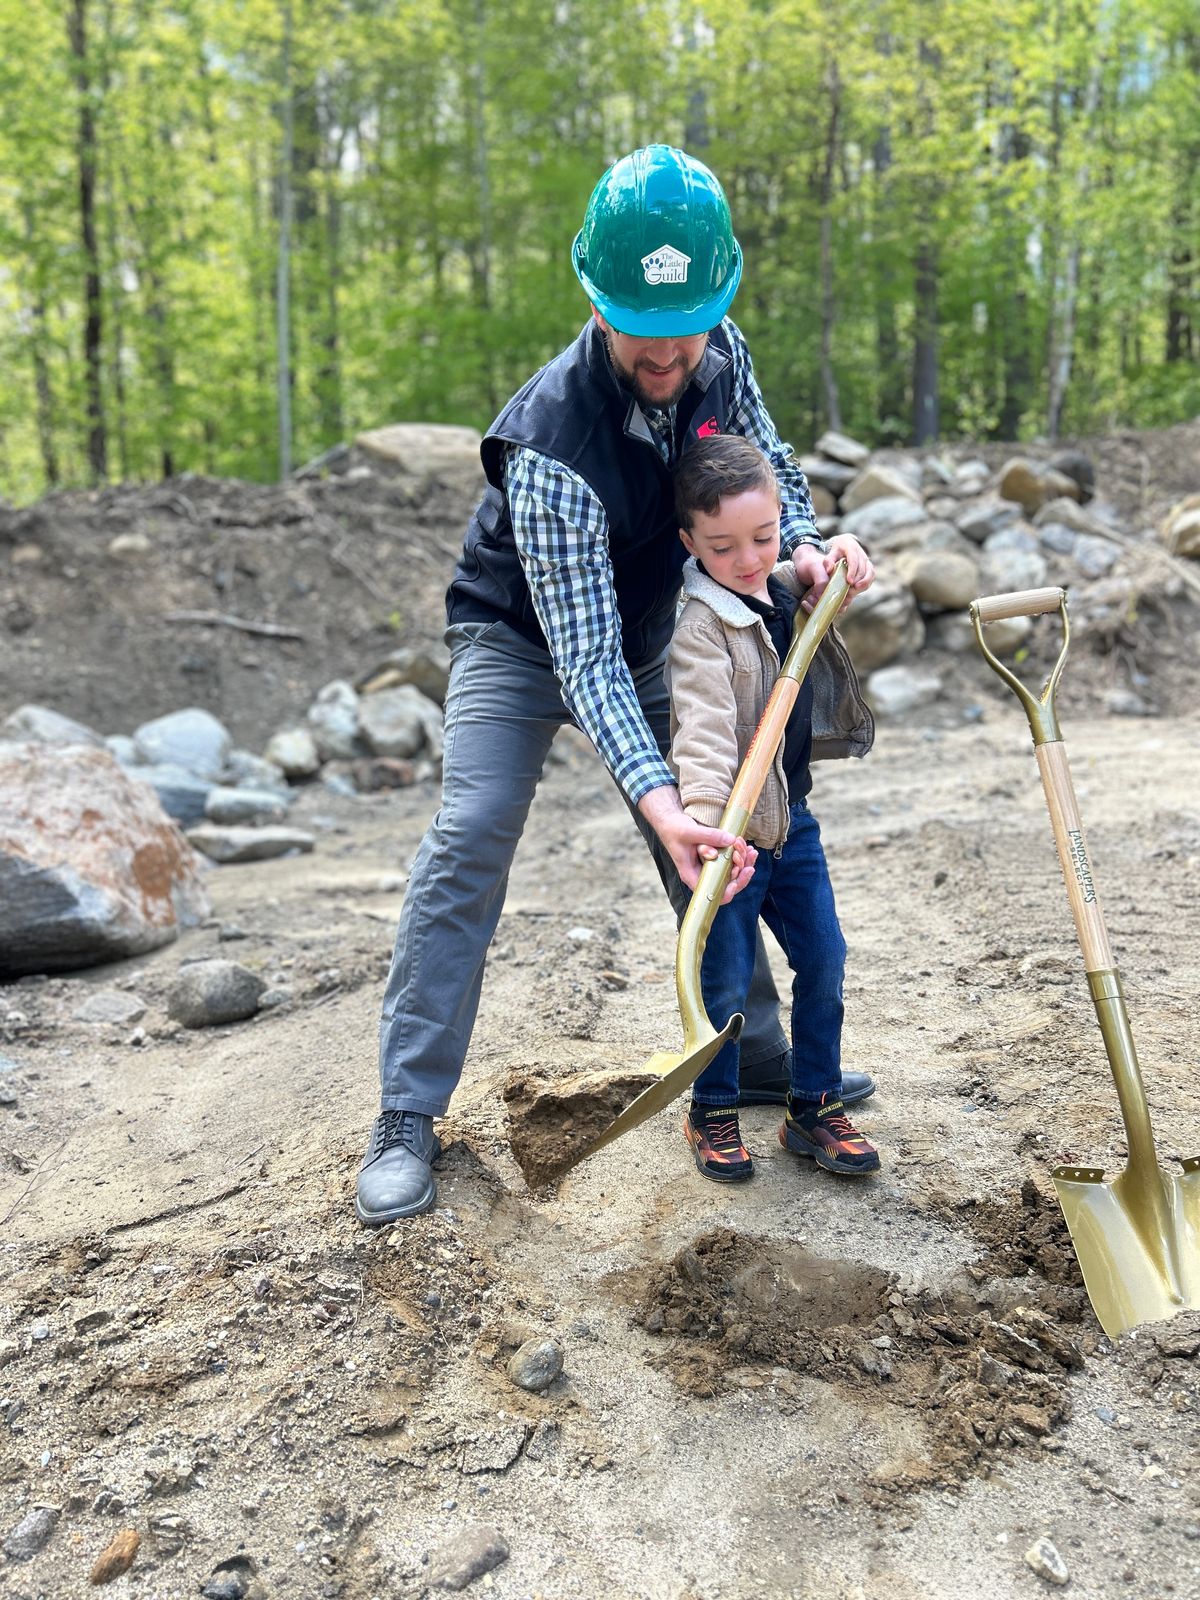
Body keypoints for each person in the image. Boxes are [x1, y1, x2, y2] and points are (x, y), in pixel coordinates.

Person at [355, 143, 878, 1225]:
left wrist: (807, 547)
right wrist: (651, 798)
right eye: (644, 322)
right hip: (519, 635)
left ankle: (756, 1050)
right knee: (476, 826)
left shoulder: (716, 349)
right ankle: (408, 1110)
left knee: (722, 809)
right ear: (597, 295)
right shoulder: (548, 437)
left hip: (645, 613)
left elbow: (770, 467)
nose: (671, 347)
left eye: (690, 319)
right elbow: (582, 660)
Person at [668, 433, 879, 1182]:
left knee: (824, 958)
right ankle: (713, 1112)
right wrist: (706, 825)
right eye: (723, 547)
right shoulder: (699, 630)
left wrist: (843, 551)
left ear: (781, 519)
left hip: (795, 830)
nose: (749, 558)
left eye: (763, 537)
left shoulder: (789, 584)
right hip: (735, 839)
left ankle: (814, 1107)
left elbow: (837, 577)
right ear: (689, 541)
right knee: (724, 984)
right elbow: (700, 733)